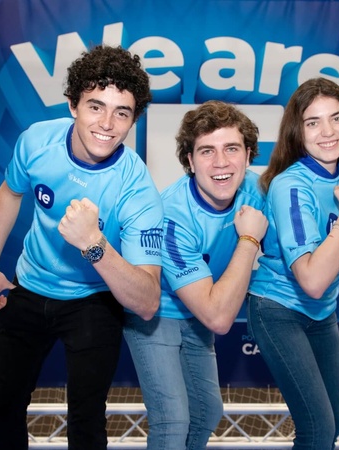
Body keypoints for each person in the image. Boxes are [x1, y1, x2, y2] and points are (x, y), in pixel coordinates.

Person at [0, 44, 163, 450]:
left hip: (92, 302)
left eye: (122, 112)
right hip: (28, 288)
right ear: (72, 106)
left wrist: (94, 244)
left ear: (133, 120)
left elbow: (148, 301)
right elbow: (11, 193)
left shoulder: (137, 188)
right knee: (5, 408)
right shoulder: (36, 142)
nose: (107, 123)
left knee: (86, 421)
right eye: (95, 106)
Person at [124, 100, 268, 450]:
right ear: (189, 161)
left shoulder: (256, 190)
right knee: (173, 420)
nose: (221, 163)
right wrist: (249, 239)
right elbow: (218, 317)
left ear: (248, 156)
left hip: (197, 312)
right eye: (206, 151)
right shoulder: (171, 217)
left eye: (231, 149)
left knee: (206, 411)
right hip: (156, 313)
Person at [247, 77, 339, 449]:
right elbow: (312, 279)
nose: (328, 131)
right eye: (313, 122)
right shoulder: (291, 186)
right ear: (297, 132)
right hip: (279, 309)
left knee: (331, 425)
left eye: (336, 118)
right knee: (316, 428)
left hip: (322, 313)